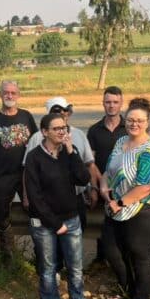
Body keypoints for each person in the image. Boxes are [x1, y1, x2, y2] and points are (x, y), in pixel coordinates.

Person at [24, 114, 92, 299]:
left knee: (75, 267)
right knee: (48, 270)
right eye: (56, 129)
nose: (62, 132)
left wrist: (72, 152)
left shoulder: (69, 153)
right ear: (44, 132)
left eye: (64, 128)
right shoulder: (34, 158)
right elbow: (35, 197)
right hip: (45, 223)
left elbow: (83, 178)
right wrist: (55, 224)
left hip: (71, 219)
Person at [100, 98, 150, 299]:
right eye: (130, 120)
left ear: (147, 122)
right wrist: (103, 187)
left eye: (139, 120)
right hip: (115, 206)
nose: (134, 124)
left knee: (139, 255)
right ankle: (126, 288)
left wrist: (119, 203)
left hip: (143, 209)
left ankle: (140, 298)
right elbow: (108, 170)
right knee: (112, 250)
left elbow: (145, 186)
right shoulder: (120, 142)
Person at [0, 80, 37, 258]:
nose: (10, 96)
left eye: (13, 92)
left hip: (26, 176)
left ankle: (42, 255)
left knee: (36, 212)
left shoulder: (26, 117)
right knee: (2, 216)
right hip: (2, 177)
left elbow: (36, 145)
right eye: (6, 92)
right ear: (0, 94)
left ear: (18, 95)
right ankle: (9, 257)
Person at [24, 96, 99, 228]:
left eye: (67, 109)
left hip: (75, 200)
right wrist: (26, 196)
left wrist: (93, 189)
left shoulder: (79, 135)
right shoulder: (37, 138)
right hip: (46, 201)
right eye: (57, 109)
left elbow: (89, 165)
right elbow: (27, 171)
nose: (63, 113)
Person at [87, 86, 126, 262]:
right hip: (103, 185)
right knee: (103, 225)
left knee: (125, 225)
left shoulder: (130, 128)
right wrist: (95, 186)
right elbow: (90, 161)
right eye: (108, 102)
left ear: (121, 104)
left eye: (115, 102)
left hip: (125, 187)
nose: (111, 106)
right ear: (103, 104)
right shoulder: (94, 130)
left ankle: (124, 259)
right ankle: (101, 261)